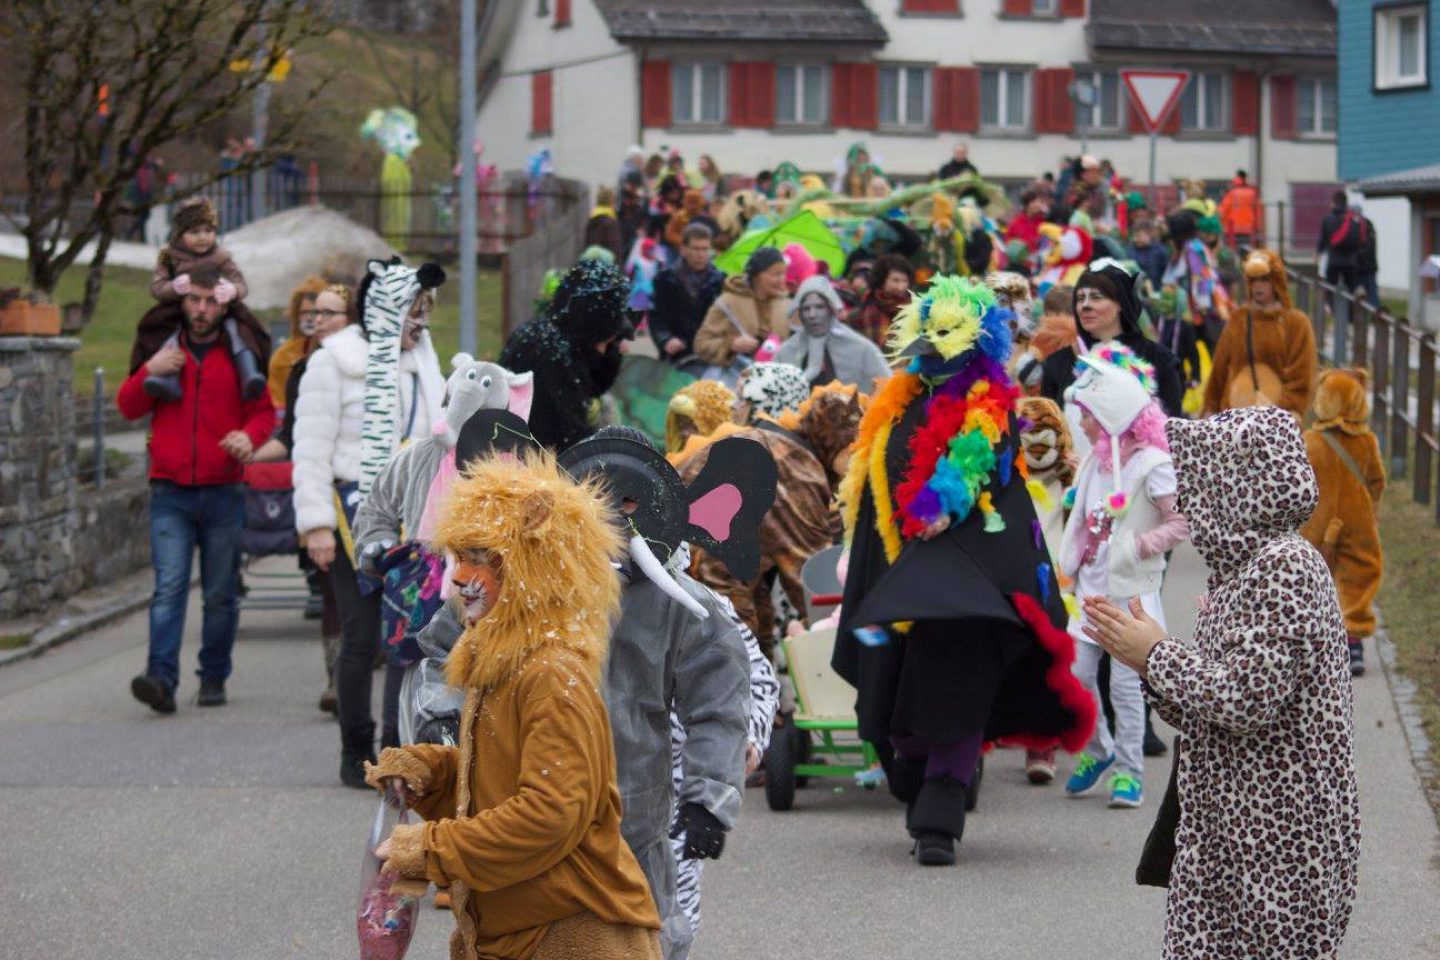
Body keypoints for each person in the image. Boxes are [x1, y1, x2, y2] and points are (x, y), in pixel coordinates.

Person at [834, 277, 1096, 866]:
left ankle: (941, 813)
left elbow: (982, 463)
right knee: (887, 695)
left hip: (964, 566)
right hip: (892, 565)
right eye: (928, 328)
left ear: (978, 338)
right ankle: (917, 772)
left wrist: (942, 504)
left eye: (948, 331)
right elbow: (869, 480)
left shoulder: (989, 403)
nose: (934, 341)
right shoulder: (898, 398)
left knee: (954, 682)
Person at [362, 453, 664, 960]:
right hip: (518, 931)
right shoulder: (503, 659)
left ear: (534, 568)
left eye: (479, 559)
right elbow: (504, 775)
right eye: (456, 558)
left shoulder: (550, 674)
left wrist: (432, 849)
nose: (457, 578)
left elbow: (549, 814)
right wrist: (433, 773)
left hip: (570, 936)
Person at [1083, 406, 1359, 960]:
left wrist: (1157, 654)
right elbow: (1213, 703)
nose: (1188, 503)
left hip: (1279, 835)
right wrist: (1148, 660)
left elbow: (1245, 699)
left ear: (1237, 486)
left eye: (1199, 485)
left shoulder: (1285, 568)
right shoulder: (1243, 570)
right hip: (1226, 829)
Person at [295, 264, 447, 786]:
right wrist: (314, 525)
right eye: (411, 310)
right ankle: (354, 748)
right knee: (362, 637)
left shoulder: (425, 362)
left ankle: (395, 748)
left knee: (407, 635)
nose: (419, 323)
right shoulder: (332, 362)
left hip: (414, 515)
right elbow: (311, 449)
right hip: (350, 513)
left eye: (424, 312)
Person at [118, 267, 277, 713]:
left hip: (224, 490)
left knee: (220, 592)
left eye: (210, 301)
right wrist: (150, 369)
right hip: (170, 491)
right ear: (182, 302)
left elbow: (263, 414)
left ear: (224, 303)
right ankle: (161, 679)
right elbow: (128, 407)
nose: (201, 309)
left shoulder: (240, 353)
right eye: (194, 300)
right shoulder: (165, 350)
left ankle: (213, 676)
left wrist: (249, 437)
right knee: (169, 586)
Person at [1057, 346, 1188, 809]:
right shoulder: (1096, 460)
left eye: (1089, 415)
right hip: (1090, 591)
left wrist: (1137, 547)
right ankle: (1100, 750)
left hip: (1129, 594)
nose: (1084, 424)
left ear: (1111, 416)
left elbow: (1180, 523)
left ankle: (1129, 772)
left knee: (1125, 686)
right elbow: (1080, 519)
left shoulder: (1153, 465)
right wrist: (1068, 563)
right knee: (1075, 678)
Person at [137, 197, 266, 403]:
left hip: (218, 309)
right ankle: (166, 379)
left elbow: (241, 284)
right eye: (194, 232)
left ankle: (248, 372)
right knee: (168, 336)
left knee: (239, 331)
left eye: (208, 231)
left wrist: (232, 291)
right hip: (180, 310)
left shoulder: (221, 256)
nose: (203, 238)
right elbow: (157, 288)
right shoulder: (170, 257)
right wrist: (174, 288)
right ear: (180, 234)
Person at [1301, 369, 1385, 677]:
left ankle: (1314, 640)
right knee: (1357, 575)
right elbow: (1376, 481)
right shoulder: (1366, 442)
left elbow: (1300, 483)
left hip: (1315, 523)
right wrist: (1372, 512)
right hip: (1357, 522)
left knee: (1314, 577)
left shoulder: (1311, 441)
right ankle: (1353, 642)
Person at [498, 258, 633, 451]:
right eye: (606, 341)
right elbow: (568, 437)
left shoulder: (554, 334)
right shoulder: (552, 353)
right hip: (527, 461)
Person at [1041, 260, 1185, 417]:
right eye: (1080, 298)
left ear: (1120, 304)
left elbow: (1171, 429)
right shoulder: (1058, 362)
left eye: (1096, 297)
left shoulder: (1159, 360)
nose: (1085, 306)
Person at [1203, 248, 1318, 419]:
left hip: (1276, 422)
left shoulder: (1296, 323)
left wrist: (1279, 411)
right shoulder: (1238, 319)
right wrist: (1210, 408)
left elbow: (1302, 378)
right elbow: (1219, 370)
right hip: (1235, 420)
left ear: (1277, 282)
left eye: (1264, 280)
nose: (1258, 285)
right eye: (1253, 280)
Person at [775, 275, 890, 393]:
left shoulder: (862, 348)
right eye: (806, 308)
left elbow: (887, 389)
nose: (812, 314)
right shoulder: (786, 352)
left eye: (819, 307)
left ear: (831, 309)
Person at [693, 247, 789, 371]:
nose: (782, 280)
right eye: (775, 274)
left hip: (774, 382)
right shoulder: (728, 302)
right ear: (757, 276)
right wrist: (731, 344)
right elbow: (701, 345)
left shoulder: (786, 305)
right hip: (734, 381)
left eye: (783, 274)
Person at [650, 224, 726, 364]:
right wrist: (666, 338)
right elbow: (656, 316)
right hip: (677, 352)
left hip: (709, 353)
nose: (701, 254)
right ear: (683, 250)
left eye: (705, 249)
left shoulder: (720, 280)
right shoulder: (665, 279)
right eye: (696, 249)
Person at [266, 276, 328, 410]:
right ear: (296, 314)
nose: (310, 317)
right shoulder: (282, 357)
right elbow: (277, 404)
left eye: (315, 311)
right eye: (304, 312)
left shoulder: (337, 349)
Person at [849, 253, 913, 347]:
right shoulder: (862, 313)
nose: (901, 287)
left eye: (905, 281)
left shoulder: (914, 310)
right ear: (881, 281)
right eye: (895, 280)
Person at [1318, 190, 1363, 297]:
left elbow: (1323, 240)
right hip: (1350, 261)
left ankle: (1330, 307)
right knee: (1351, 289)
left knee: (1330, 288)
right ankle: (1353, 311)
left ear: (1334, 203)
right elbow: (1359, 241)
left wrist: (1318, 254)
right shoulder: (1354, 220)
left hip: (1334, 260)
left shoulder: (1327, 219)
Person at [1218, 170, 1262, 251]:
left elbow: (1222, 211)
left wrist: (1220, 225)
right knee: (1247, 252)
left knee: (1231, 252)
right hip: (1249, 230)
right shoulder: (1253, 193)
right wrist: (1258, 229)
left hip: (1232, 229)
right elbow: (1258, 212)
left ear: (1237, 178)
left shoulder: (1231, 193)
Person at [584, 185, 625, 262]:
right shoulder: (610, 222)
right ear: (611, 201)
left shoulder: (592, 220)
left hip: (591, 266)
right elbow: (616, 251)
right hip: (606, 268)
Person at [1004, 188, 1049, 253]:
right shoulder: (1016, 223)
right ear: (1026, 205)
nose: (1037, 205)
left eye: (1039, 202)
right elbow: (1008, 243)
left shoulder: (1044, 221)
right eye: (1034, 202)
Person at [1353, 204, 1381, 308]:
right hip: (1363, 267)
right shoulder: (1367, 224)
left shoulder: (1366, 225)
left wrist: (1354, 255)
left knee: (1372, 296)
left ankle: (1376, 320)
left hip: (1365, 268)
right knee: (1361, 297)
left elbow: (1368, 247)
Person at [1127, 221, 1167, 292]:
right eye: (1134, 236)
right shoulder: (1131, 249)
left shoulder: (1160, 250)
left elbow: (1164, 271)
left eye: (1139, 236)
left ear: (1149, 234)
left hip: (1156, 290)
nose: (1136, 239)